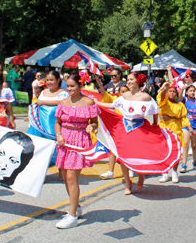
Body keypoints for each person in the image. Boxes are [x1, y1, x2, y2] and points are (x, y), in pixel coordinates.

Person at [96, 71, 180, 194]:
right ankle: (128, 183)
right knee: (122, 155)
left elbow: (155, 110)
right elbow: (112, 105)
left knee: (141, 154)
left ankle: (141, 176)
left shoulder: (146, 97)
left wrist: (155, 124)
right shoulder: (124, 95)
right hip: (124, 128)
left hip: (141, 127)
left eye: (131, 79)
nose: (128, 81)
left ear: (138, 80)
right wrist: (96, 103)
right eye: (128, 79)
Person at [54, 73, 100, 229]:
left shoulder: (88, 102)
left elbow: (95, 123)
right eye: (67, 86)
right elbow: (58, 123)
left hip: (79, 141)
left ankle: (72, 215)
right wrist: (59, 134)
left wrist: (91, 126)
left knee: (72, 177)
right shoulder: (63, 102)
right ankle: (76, 207)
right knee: (66, 177)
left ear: (80, 86)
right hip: (64, 141)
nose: (69, 89)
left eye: (72, 86)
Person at [95, 76, 130, 180]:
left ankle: (130, 169)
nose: (124, 93)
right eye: (122, 92)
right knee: (112, 148)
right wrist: (100, 85)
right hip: (117, 129)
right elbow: (104, 95)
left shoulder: (132, 101)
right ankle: (111, 171)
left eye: (125, 91)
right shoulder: (116, 100)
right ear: (119, 93)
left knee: (127, 149)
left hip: (129, 128)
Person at [157, 82, 191, 183]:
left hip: (176, 129)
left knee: (176, 152)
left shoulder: (180, 105)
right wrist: (164, 89)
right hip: (164, 130)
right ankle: (165, 173)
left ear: (177, 93)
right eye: (170, 91)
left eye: (174, 92)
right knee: (164, 152)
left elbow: (183, 117)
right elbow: (161, 96)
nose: (172, 93)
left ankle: (175, 172)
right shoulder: (164, 101)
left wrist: (191, 129)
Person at [179, 84, 196, 173]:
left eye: (194, 91)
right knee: (185, 144)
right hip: (186, 126)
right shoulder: (185, 100)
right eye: (190, 91)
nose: (192, 92)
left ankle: (195, 162)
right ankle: (184, 164)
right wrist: (182, 90)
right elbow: (179, 98)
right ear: (187, 93)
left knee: (194, 146)